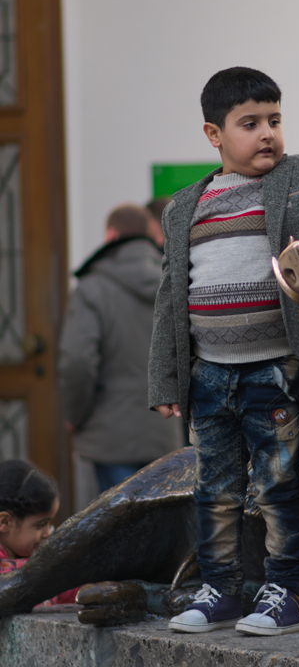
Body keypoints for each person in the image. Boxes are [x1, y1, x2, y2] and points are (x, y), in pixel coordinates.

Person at [149, 61, 299, 636]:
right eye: (249, 123)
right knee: (215, 491)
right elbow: (171, 297)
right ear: (214, 134)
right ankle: (220, 589)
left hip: (274, 370)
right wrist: (166, 380)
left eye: (274, 120)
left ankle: (289, 591)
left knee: (277, 486)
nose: (267, 133)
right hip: (207, 376)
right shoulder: (185, 206)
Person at [58, 203, 184, 494]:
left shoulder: (92, 288)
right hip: (164, 433)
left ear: (111, 235)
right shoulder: (173, 282)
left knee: (114, 520)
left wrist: (75, 416)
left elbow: (76, 361)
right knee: (164, 520)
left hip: (109, 438)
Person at [0, 459, 78, 604]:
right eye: (40, 525)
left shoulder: (38, 557)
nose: (47, 533)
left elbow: (64, 589)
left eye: (49, 524)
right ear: (5, 522)